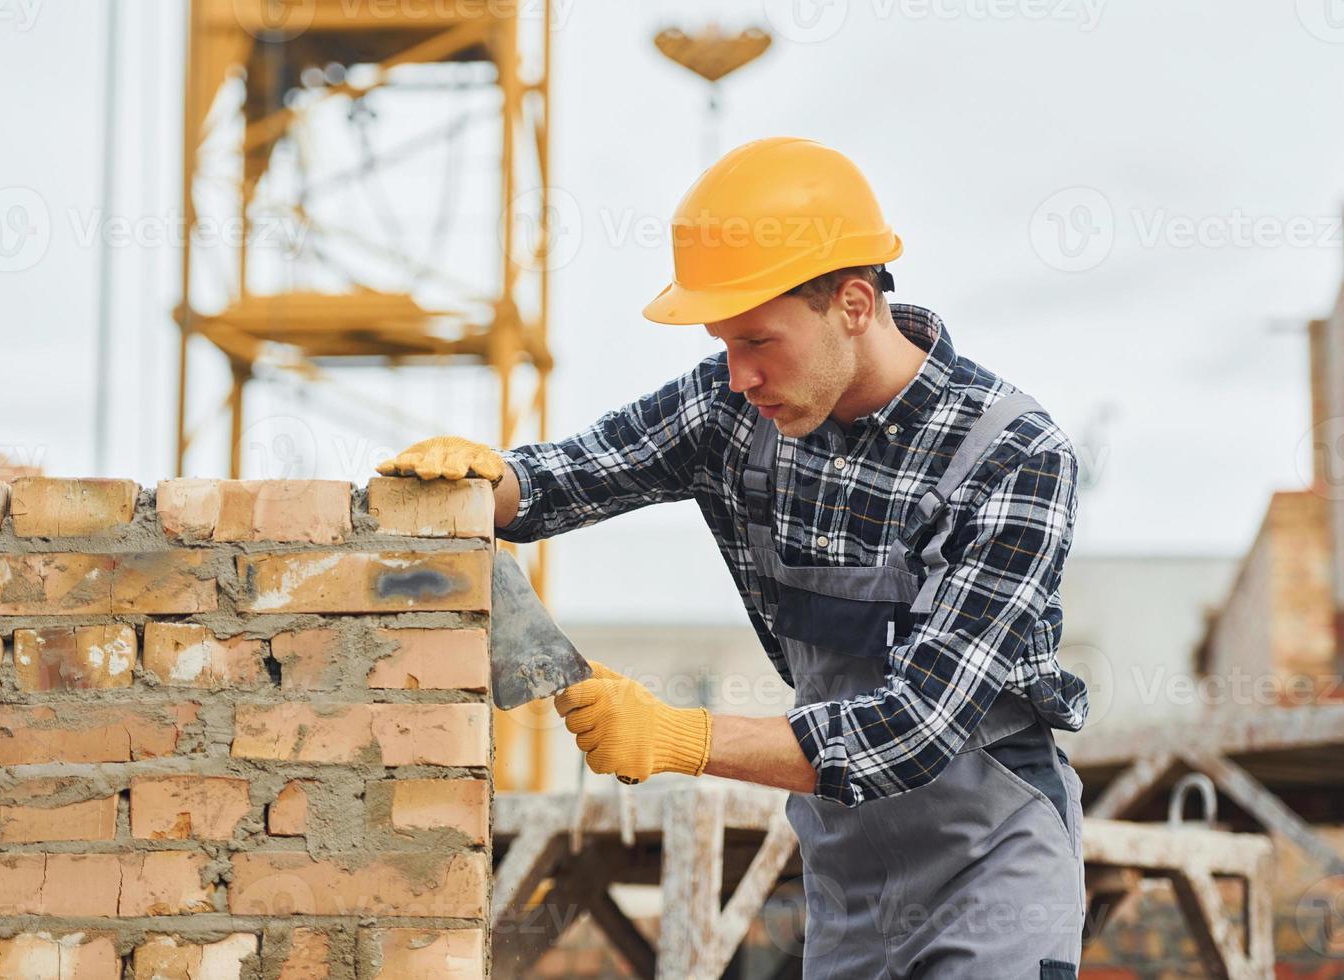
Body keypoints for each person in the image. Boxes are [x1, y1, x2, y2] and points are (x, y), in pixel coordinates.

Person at [377, 136, 1088, 979]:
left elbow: (914, 730)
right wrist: (482, 484)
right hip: (849, 873)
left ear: (854, 304)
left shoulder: (1013, 457)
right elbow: (574, 475)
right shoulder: (737, 410)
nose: (739, 374)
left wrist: (678, 736)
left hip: (992, 866)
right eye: (724, 344)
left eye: (759, 341)